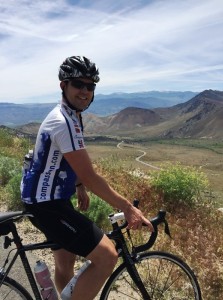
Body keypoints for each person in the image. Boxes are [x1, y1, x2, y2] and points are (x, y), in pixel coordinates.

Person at [20, 55, 153, 300]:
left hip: (48, 198)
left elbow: (68, 161)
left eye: (90, 86)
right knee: (107, 255)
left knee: (66, 260)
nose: (85, 91)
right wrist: (127, 207)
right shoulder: (64, 122)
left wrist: (79, 186)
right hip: (46, 204)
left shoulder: (71, 115)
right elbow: (90, 175)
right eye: (78, 84)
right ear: (64, 85)